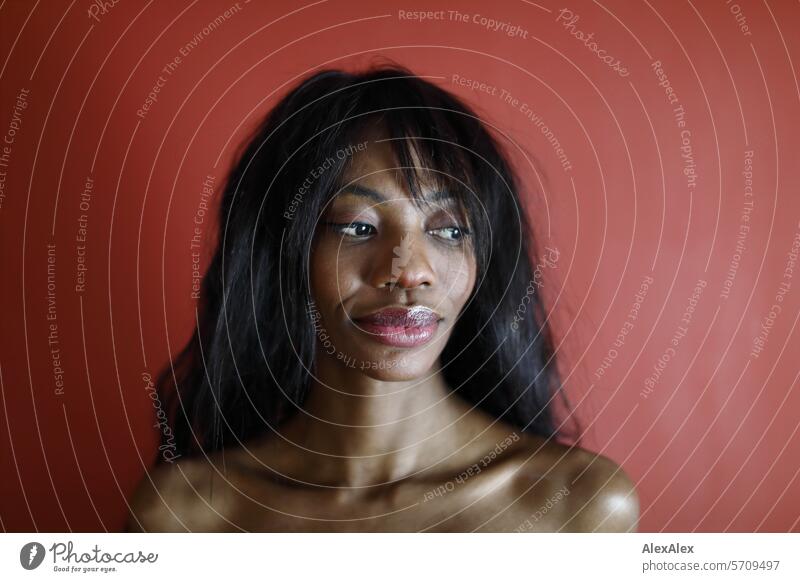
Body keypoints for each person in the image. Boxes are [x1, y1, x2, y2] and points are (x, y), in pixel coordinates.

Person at [127, 63, 639, 532]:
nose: (411, 271)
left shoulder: (579, 506)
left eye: (450, 231)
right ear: (284, 251)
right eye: (358, 226)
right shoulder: (185, 515)